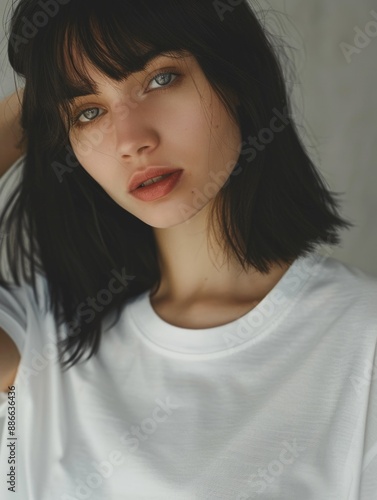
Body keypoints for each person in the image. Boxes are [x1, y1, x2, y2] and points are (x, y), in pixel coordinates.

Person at [0, 0, 376, 498]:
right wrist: (44, 93)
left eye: (160, 80)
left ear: (236, 77)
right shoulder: (39, 336)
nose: (131, 139)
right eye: (88, 112)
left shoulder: (362, 340)